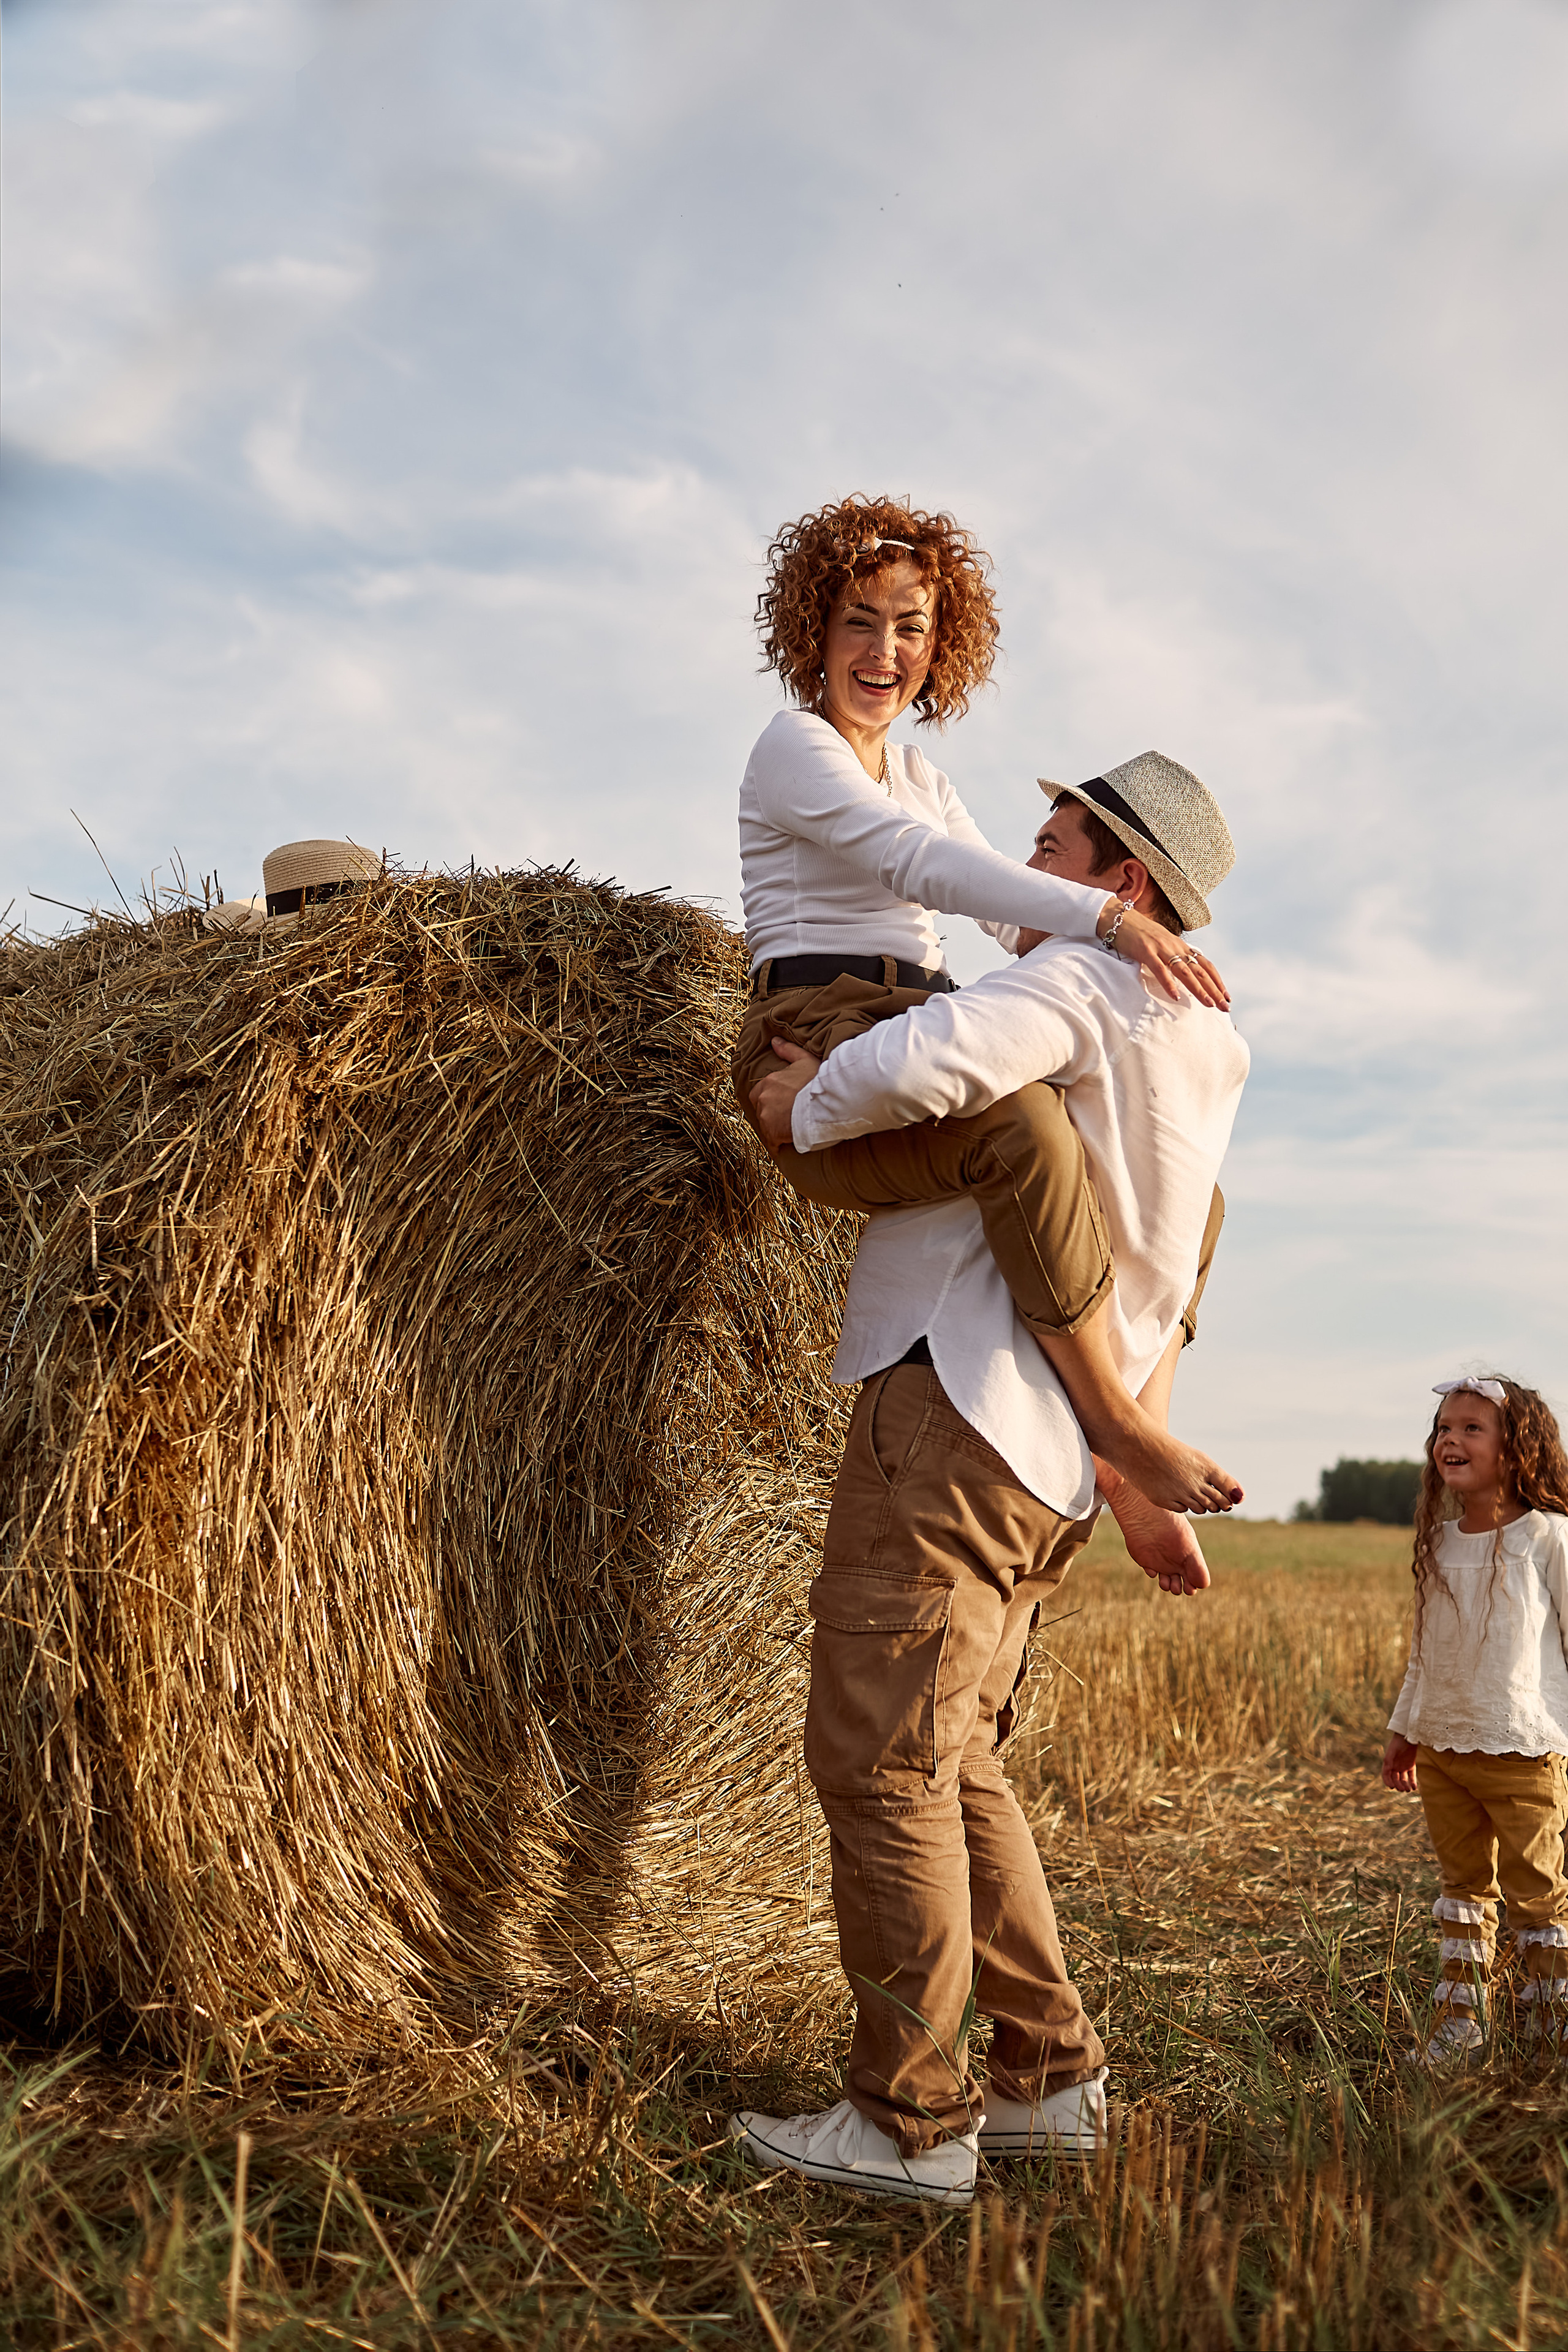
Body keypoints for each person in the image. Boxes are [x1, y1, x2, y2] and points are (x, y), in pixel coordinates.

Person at [728, 757, 1248, 2206]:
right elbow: (1171, 1248)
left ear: (1117, 884)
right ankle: (1044, 2072)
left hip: (956, 1405)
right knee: (953, 1758)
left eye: (1053, 845)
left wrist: (794, 1103)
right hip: (1049, 1468)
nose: (1027, 867)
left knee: (881, 1758)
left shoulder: (1078, 984)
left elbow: (919, 1064)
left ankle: (908, 2120)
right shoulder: (1211, 1049)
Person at [733, 494, 1241, 1520]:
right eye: (860, 622)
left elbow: (1010, 922)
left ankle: (1133, 1447)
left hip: (914, 1012)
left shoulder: (922, 772)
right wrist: (1107, 919)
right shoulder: (795, 746)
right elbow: (920, 864)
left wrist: (1160, 988)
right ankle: (1111, 1420)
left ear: (940, 645)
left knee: (1195, 1194)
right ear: (814, 633)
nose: (884, 651)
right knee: (1017, 1125)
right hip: (822, 1024)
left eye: (910, 626)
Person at [1381, 1376, 1568, 2065]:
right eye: (1442, 1429)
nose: (1450, 1440)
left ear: (1517, 1450)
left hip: (1523, 1750)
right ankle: (1462, 2025)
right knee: (1462, 1892)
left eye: (1470, 1428)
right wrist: (1404, 1730)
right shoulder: (1437, 1541)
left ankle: (1550, 2026)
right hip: (1442, 1751)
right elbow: (1423, 1653)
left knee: (1538, 1897)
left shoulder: (1547, 1537)